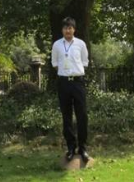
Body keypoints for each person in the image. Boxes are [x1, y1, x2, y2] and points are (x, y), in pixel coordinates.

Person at [51, 16, 90, 162]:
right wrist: (65, 73)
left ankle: (83, 148)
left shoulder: (80, 44)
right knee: (66, 116)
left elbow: (84, 62)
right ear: (62, 30)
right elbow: (55, 63)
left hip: (78, 82)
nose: (68, 30)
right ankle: (71, 148)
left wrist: (74, 72)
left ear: (74, 29)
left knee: (82, 115)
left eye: (70, 28)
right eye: (65, 28)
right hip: (64, 83)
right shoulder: (57, 45)